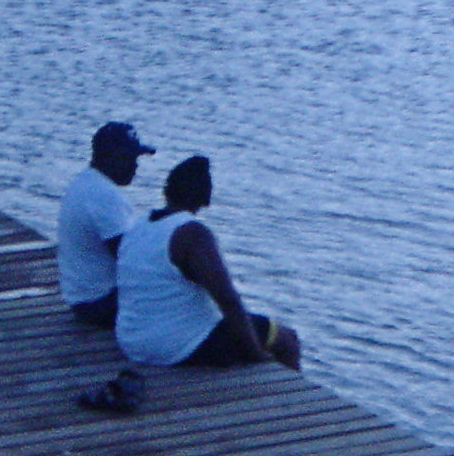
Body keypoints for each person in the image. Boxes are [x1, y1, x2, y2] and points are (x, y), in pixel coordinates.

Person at [114, 154, 302, 371]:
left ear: (167, 191)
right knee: (287, 340)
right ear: (206, 196)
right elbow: (228, 299)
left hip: (131, 341)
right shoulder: (192, 234)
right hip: (174, 348)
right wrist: (254, 353)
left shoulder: (140, 226)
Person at [57, 121, 154, 328]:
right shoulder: (105, 196)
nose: (135, 166)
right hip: (100, 304)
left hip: (81, 297)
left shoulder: (83, 183)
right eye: (128, 158)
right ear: (110, 157)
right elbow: (129, 258)